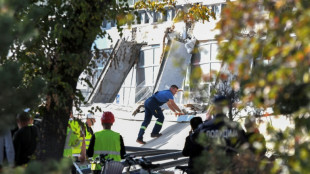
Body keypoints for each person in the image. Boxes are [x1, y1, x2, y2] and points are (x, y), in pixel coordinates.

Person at [190, 95, 246, 171]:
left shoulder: (205, 127)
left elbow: (193, 139)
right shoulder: (235, 127)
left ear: (213, 108)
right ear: (227, 108)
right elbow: (244, 145)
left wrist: (207, 120)